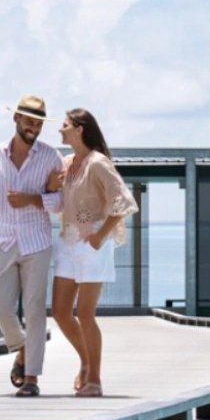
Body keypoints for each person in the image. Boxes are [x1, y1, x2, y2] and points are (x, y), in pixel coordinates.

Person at [0, 94, 63, 397]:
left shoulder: (52, 157)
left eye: (39, 123)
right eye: (29, 121)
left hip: (37, 240)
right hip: (1, 239)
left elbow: (62, 201)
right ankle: (23, 347)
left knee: (36, 310)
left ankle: (32, 378)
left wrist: (33, 199)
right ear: (16, 119)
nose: (34, 127)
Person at [47, 108, 138, 397]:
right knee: (61, 312)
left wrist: (100, 235)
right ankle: (85, 362)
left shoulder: (98, 163)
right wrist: (51, 184)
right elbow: (59, 197)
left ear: (79, 129)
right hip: (67, 242)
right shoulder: (68, 161)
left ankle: (95, 380)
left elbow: (124, 202)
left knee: (85, 314)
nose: (59, 130)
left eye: (64, 126)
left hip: (92, 244)